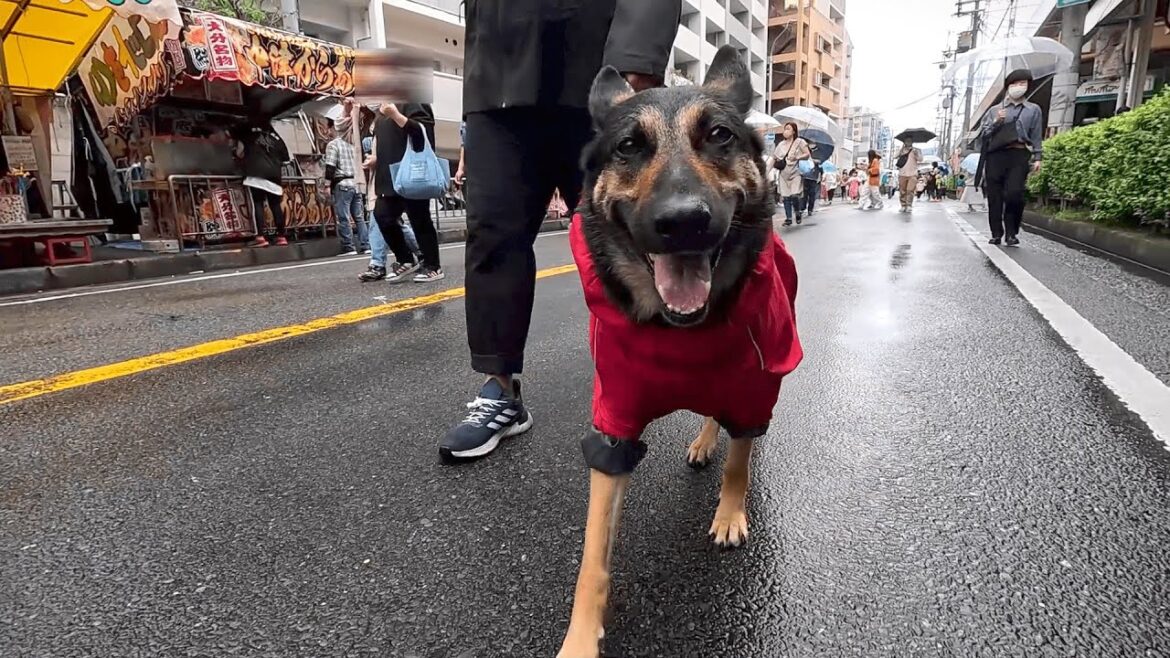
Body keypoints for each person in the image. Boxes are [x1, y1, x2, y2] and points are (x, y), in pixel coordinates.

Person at [439, 0, 682, 462]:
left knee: (622, 236)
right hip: (499, 70)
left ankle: (644, 386)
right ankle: (500, 389)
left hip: (599, 64)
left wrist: (637, 60)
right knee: (492, 235)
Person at [369, 102, 444, 283]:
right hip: (388, 174)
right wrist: (374, 158)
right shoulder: (381, 110)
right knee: (382, 216)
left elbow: (423, 132)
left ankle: (433, 266)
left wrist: (396, 115)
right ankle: (405, 259)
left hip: (412, 171)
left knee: (420, 219)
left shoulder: (414, 101)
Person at [976, 68, 1043, 246]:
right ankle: (996, 232)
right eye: (1015, 83)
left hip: (1019, 154)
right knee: (995, 195)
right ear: (1007, 87)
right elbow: (984, 135)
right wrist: (997, 121)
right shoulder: (994, 110)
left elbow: (1036, 134)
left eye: (1023, 83)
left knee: (1015, 194)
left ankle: (1012, 232)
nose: (1019, 87)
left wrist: (1038, 157)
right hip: (996, 155)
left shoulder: (1033, 110)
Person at [359, 135, 422, 281]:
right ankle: (420, 252)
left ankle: (377, 264)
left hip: (390, 180)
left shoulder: (387, 123)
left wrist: (378, 159)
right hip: (382, 182)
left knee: (379, 219)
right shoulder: (370, 126)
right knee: (392, 222)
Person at [232, 119, 290, 247]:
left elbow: (239, 153)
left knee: (258, 204)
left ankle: (260, 237)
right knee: (275, 206)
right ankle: (281, 237)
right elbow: (286, 159)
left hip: (256, 175)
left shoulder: (247, 136)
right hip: (275, 176)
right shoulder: (277, 138)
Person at [323, 117, 369, 255]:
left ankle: (349, 247)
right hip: (356, 183)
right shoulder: (353, 144)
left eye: (328, 127)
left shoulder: (333, 144)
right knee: (359, 217)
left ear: (333, 128)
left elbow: (330, 167)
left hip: (342, 184)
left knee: (343, 217)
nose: (327, 131)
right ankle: (366, 245)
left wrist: (326, 185)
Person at [774, 122, 812, 226]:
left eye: (788, 129)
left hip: (795, 172)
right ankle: (789, 218)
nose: (786, 131)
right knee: (786, 197)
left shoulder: (800, 142)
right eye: (785, 129)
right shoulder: (780, 145)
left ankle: (797, 212)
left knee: (795, 195)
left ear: (794, 131)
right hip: (783, 174)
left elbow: (807, 154)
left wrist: (797, 157)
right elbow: (774, 159)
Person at [894, 138, 923, 213]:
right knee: (902, 190)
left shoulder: (916, 150)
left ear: (912, 142)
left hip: (913, 173)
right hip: (902, 173)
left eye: (910, 141)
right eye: (906, 141)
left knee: (910, 190)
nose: (908, 142)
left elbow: (920, 159)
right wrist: (901, 149)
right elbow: (895, 156)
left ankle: (909, 205)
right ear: (904, 142)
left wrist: (916, 153)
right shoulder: (902, 150)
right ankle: (903, 205)